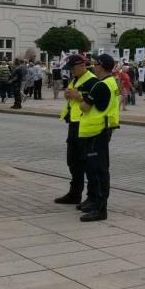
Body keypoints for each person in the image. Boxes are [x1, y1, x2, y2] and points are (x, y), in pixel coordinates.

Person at [77, 54, 120, 222]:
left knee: (99, 170)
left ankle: (101, 209)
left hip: (96, 131)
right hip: (105, 128)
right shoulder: (111, 82)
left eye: (95, 64)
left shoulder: (100, 86)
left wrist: (80, 99)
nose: (93, 66)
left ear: (100, 66)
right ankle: (96, 202)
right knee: (98, 169)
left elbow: (85, 106)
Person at [54, 54, 97, 206]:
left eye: (73, 68)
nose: (71, 71)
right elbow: (74, 97)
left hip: (84, 125)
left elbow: (93, 101)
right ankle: (74, 193)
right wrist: (69, 95)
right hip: (74, 123)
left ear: (81, 65)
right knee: (72, 161)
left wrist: (77, 96)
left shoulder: (92, 81)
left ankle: (90, 196)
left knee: (85, 162)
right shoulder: (76, 79)